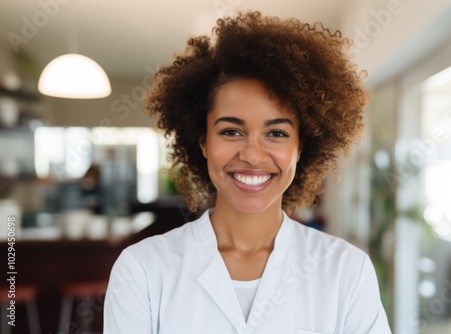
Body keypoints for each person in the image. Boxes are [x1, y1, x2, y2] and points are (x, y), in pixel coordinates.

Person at [104, 11, 391, 334]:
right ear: (203, 142)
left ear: (300, 148)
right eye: (231, 132)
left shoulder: (347, 271)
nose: (253, 155)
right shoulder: (142, 270)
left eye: (277, 133)